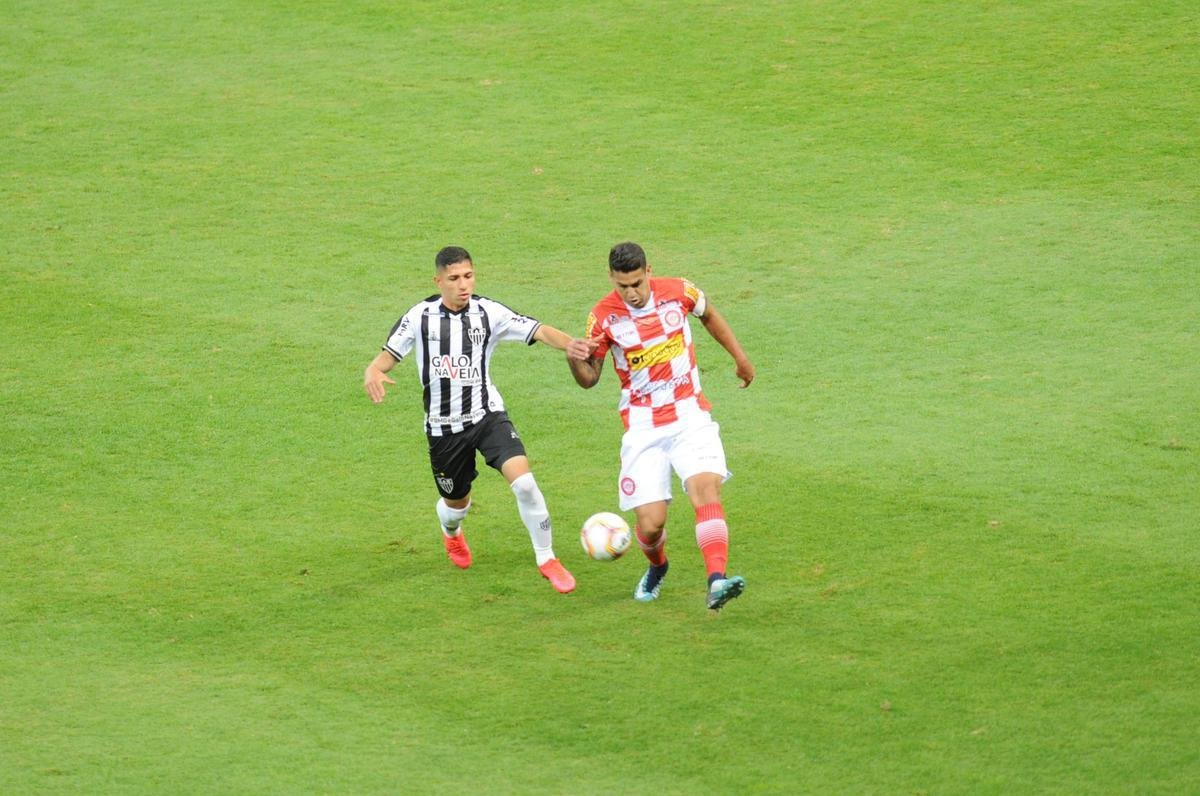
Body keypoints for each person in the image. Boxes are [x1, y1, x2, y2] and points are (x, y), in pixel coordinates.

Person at [363, 246, 578, 594]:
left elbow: (538, 329)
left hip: (486, 416)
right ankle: (452, 532)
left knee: (524, 483)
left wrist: (573, 345)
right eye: (454, 279)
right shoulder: (420, 317)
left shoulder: (488, 312)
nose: (463, 285)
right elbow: (388, 356)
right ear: (438, 280)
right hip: (443, 430)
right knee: (456, 505)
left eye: (468, 276)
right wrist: (373, 371)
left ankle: (547, 558)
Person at [566, 242, 755, 610]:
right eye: (623, 286)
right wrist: (575, 359)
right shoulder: (603, 318)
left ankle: (716, 581)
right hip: (643, 427)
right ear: (611, 279)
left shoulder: (679, 291)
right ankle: (658, 567)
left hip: (689, 415)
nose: (632, 293)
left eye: (637, 282)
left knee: (705, 490)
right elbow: (589, 379)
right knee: (652, 525)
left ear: (649, 271)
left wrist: (740, 357)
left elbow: (709, 314)